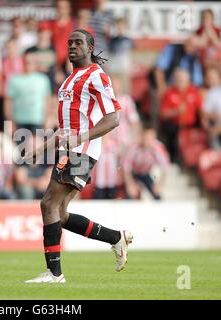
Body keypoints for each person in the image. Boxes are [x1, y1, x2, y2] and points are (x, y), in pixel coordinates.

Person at [24, 29, 133, 283]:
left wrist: (82, 139)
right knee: (58, 214)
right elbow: (66, 128)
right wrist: (42, 148)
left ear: (90, 46)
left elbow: (113, 119)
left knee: (48, 204)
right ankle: (115, 238)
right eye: (70, 42)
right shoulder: (69, 80)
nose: (73, 46)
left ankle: (54, 274)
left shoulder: (97, 76)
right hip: (69, 148)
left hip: (81, 150)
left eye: (79, 42)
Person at [122, 126, 170, 200]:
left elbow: (165, 167)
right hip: (133, 173)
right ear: (142, 137)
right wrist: (130, 184)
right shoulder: (134, 146)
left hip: (146, 173)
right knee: (130, 195)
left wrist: (160, 184)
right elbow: (125, 168)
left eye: (151, 138)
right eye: (147, 138)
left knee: (157, 195)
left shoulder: (158, 148)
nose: (148, 141)